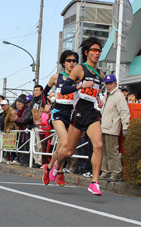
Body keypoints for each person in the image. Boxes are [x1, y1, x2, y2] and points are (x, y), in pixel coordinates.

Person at [50, 37, 105, 196]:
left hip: (92, 112)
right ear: (87, 53)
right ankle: (57, 165)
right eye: (94, 50)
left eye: (99, 51)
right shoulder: (80, 69)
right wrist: (81, 85)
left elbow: (95, 91)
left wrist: (98, 99)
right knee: (68, 150)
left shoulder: (100, 73)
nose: (97, 53)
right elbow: (65, 89)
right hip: (78, 111)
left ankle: (94, 183)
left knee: (98, 145)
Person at [41, 49, 79, 186]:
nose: (72, 63)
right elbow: (43, 93)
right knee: (66, 142)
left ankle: (50, 168)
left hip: (72, 113)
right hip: (58, 112)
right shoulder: (56, 77)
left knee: (60, 148)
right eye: (69, 60)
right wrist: (45, 105)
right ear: (64, 62)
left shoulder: (79, 78)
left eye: (74, 61)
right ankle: (59, 170)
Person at [100, 74, 130, 182]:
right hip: (104, 126)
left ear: (115, 84)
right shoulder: (105, 95)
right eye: (106, 83)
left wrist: (126, 126)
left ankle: (116, 172)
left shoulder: (119, 96)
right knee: (104, 151)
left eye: (110, 83)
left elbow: (124, 112)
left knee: (112, 151)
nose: (108, 86)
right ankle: (106, 171)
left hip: (112, 128)